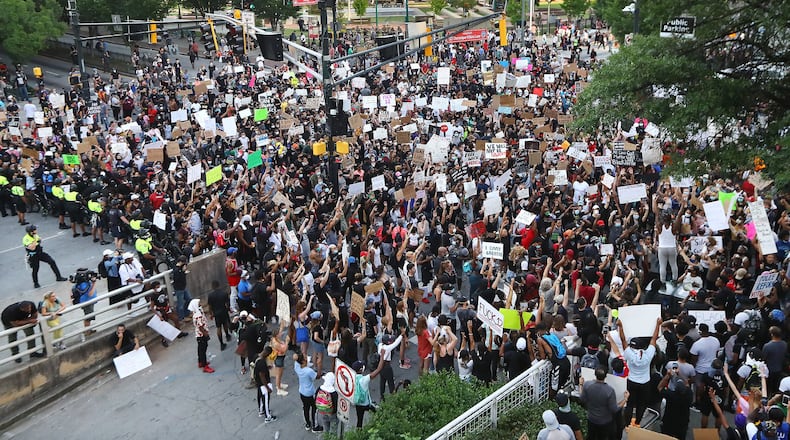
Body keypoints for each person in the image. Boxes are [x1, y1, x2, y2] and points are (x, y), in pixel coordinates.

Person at [620, 317, 661, 426]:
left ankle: (627, 424)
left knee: (629, 404)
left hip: (632, 381)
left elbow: (623, 340)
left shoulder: (629, 354)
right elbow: (654, 339)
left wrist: (620, 326)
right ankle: (637, 422)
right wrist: (657, 324)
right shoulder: (649, 354)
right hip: (645, 383)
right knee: (641, 404)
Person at [579, 367, 629, 440]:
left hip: (591, 419)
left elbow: (582, 398)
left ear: (595, 374)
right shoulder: (609, 391)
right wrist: (625, 399)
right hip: (605, 422)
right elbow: (615, 409)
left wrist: (581, 385)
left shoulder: (587, 385)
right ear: (606, 376)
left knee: (591, 436)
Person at [657, 368, 695, 439]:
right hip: (682, 423)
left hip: (669, 422)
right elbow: (687, 383)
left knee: (666, 437)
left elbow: (660, 387)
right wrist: (679, 374)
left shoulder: (671, 395)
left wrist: (667, 376)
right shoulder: (689, 394)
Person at [148, 281, 188, 346]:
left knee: (176, 319)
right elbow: (152, 307)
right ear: (154, 288)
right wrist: (159, 316)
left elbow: (166, 299)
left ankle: (178, 333)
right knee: (163, 326)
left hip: (167, 309)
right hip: (160, 311)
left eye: (159, 286)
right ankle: (163, 339)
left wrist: (170, 307)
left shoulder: (162, 291)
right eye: (157, 287)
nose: (159, 288)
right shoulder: (153, 296)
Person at [351, 355, 386, 428]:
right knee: (378, 412)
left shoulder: (351, 378)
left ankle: (359, 434)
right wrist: (382, 357)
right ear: (361, 369)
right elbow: (378, 370)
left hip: (358, 403)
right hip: (366, 404)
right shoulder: (364, 379)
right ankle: (379, 426)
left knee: (359, 420)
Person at [293, 352, 323, 433]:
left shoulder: (297, 367)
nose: (307, 360)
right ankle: (315, 426)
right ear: (302, 362)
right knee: (315, 408)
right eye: (305, 359)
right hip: (310, 393)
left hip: (302, 392)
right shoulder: (308, 371)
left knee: (306, 408)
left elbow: (295, 358)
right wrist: (319, 365)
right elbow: (318, 376)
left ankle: (307, 424)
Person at [187, 299, 214, 373]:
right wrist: (206, 334)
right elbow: (200, 326)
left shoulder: (196, 312)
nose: (200, 304)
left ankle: (200, 362)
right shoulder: (198, 315)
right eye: (198, 303)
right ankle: (205, 366)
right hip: (201, 334)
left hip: (198, 334)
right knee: (203, 350)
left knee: (200, 349)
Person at [206, 280, 231, 351]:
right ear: (219, 285)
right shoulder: (224, 293)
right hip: (223, 311)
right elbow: (227, 304)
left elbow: (209, 306)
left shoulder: (210, 295)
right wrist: (228, 309)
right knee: (225, 324)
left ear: (212, 286)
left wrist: (211, 314)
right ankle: (227, 335)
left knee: (218, 327)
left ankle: (221, 343)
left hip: (216, 313)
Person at [254, 346, 276, 423]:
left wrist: (267, 367)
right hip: (263, 384)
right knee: (266, 399)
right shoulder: (262, 362)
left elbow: (258, 369)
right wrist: (267, 387)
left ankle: (261, 410)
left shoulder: (257, 357)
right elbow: (262, 376)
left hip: (258, 383)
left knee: (259, 396)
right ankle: (268, 416)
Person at [172, 256, 193, 321]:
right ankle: (181, 317)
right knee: (180, 304)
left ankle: (187, 313)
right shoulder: (176, 270)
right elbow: (177, 279)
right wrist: (183, 272)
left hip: (184, 287)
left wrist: (183, 272)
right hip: (179, 288)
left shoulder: (181, 268)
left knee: (189, 299)